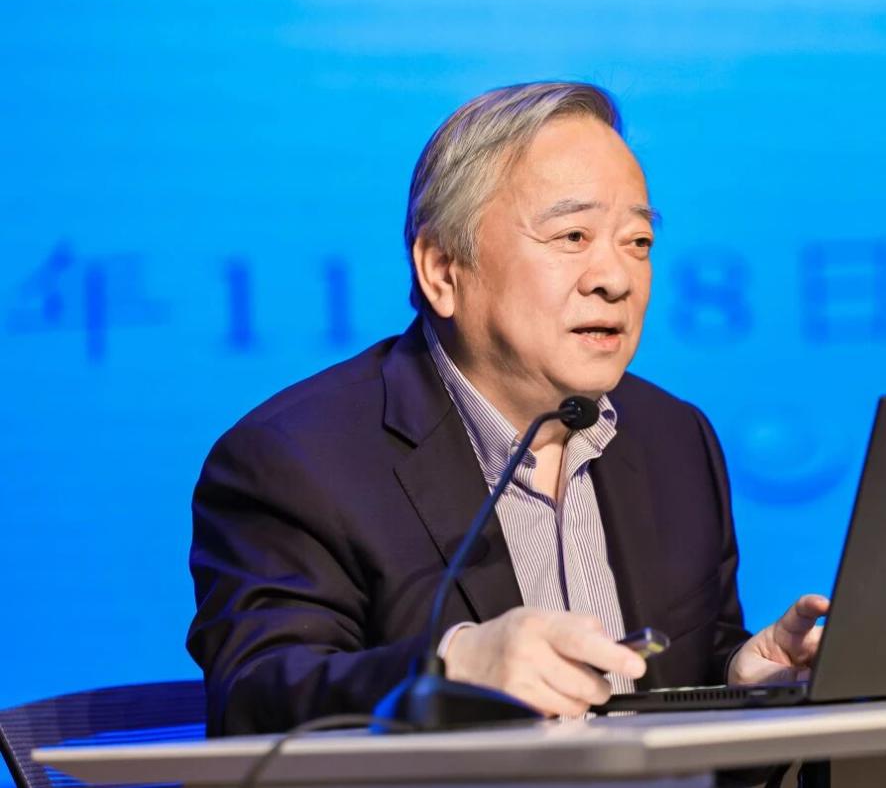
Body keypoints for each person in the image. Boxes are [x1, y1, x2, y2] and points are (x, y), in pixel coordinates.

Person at [187, 82, 829, 735]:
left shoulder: (672, 436)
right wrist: (450, 667)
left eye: (637, 242)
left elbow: (683, 670)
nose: (616, 279)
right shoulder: (296, 459)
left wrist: (742, 683)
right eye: (573, 235)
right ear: (443, 269)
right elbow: (254, 699)